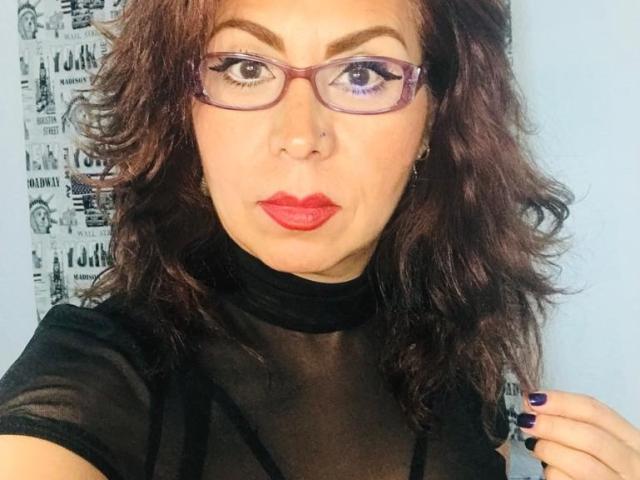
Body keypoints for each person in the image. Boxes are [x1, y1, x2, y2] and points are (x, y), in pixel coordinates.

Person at [1, 0, 639, 479]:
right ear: (184, 112)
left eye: (363, 73)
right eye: (246, 67)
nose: (300, 136)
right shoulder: (96, 378)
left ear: (432, 121)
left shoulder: (456, 350)